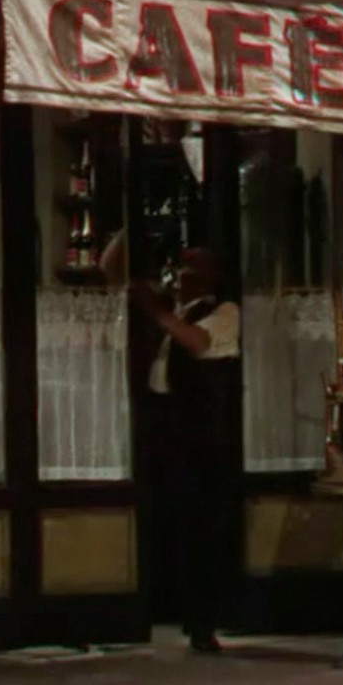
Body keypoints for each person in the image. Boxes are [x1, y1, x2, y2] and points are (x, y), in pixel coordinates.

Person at [133, 245, 241, 654]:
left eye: (193, 266)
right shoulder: (176, 311)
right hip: (165, 430)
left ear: (212, 275)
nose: (182, 272)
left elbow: (196, 342)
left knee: (200, 531)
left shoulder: (224, 312)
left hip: (200, 442)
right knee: (167, 524)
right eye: (180, 265)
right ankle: (164, 608)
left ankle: (202, 624)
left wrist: (156, 310)